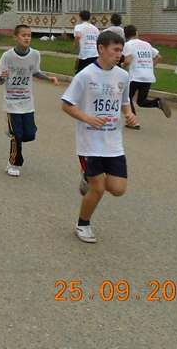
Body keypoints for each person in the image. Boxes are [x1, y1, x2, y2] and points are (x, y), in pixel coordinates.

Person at [61, 30, 138, 243]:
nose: (119, 55)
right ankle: (82, 225)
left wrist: (129, 115)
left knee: (118, 189)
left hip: (113, 143)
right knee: (99, 188)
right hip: (89, 142)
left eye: (121, 51)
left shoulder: (123, 76)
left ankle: (86, 177)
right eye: (115, 50)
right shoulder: (85, 75)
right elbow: (67, 105)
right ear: (101, 48)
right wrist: (87, 118)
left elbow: (124, 102)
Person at [0, 25, 60, 176]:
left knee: (30, 134)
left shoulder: (35, 55)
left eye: (29, 35)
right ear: (15, 37)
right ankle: (13, 164)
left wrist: (49, 78)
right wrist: (3, 77)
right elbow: (0, 81)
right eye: (23, 35)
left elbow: (36, 72)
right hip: (12, 102)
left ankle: (11, 130)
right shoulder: (7, 56)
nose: (27, 38)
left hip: (26, 102)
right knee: (17, 136)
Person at [121, 25, 172, 127]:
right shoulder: (146, 44)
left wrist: (122, 67)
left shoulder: (128, 45)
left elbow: (127, 60)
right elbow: (158, 56)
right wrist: (149, 66)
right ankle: (157, 102)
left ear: (125, 35)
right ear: (136, 33)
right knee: (141, 101)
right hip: (148, 76)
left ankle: (133, 122)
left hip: (135, 77)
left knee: (126, 98)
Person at [73, 9, 99, 74]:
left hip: (85, 54)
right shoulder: (95, 28)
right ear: (89, 18)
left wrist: (75, 44)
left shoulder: (79, 27)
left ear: (80, 18)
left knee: (79, 73)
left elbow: (78, 35)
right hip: (95, 54)